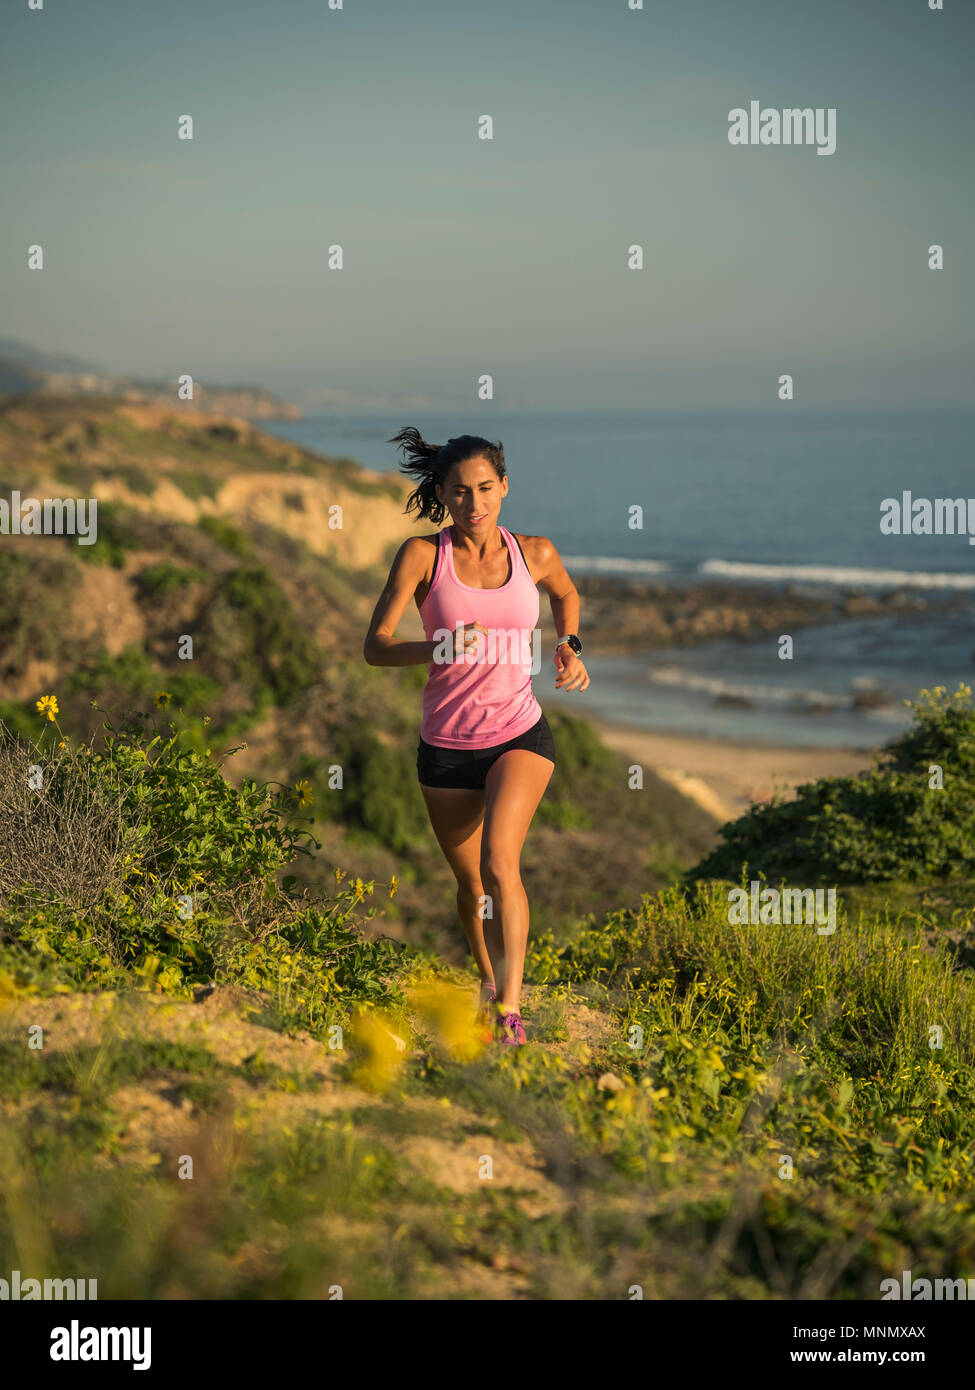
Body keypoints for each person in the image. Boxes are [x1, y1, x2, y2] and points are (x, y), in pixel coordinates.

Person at [363, 428, 589, 1045]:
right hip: (446, 746)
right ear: (442, 494)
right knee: (470, 887)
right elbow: (374, 648)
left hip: (519, 731)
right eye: (460, 492)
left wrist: (568, 646)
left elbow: (567, 594)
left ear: (504, 487)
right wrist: (436, 645)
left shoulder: (534, 553)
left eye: (486, 488)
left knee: (499, 863)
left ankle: (511, 1010)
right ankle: (488, 982)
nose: (475, 503)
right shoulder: (421, 557)